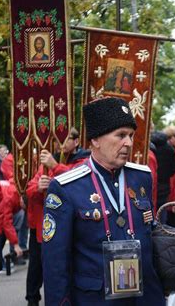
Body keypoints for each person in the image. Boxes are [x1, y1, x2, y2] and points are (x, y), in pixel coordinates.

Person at [42, 97, 165, 305]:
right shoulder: (66, 188)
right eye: (120, 135)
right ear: (95, 140)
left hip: (145, 297)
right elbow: (56, 264)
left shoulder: (142, 177)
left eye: (131, 135)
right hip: (95, 299)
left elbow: (149, 232)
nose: (128, 142)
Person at [25, 127, 89, 306]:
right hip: (42, 226)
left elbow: (79, 181)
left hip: (69, 226)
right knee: (36, 268)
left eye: (65, 138)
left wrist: (56, 167)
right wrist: (38, 187)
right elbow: (29, 189)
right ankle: (32, 300)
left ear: (76, 142)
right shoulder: (45, 163)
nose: (60, 143)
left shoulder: (83, 160)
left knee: (61, 269)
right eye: (57, 139)